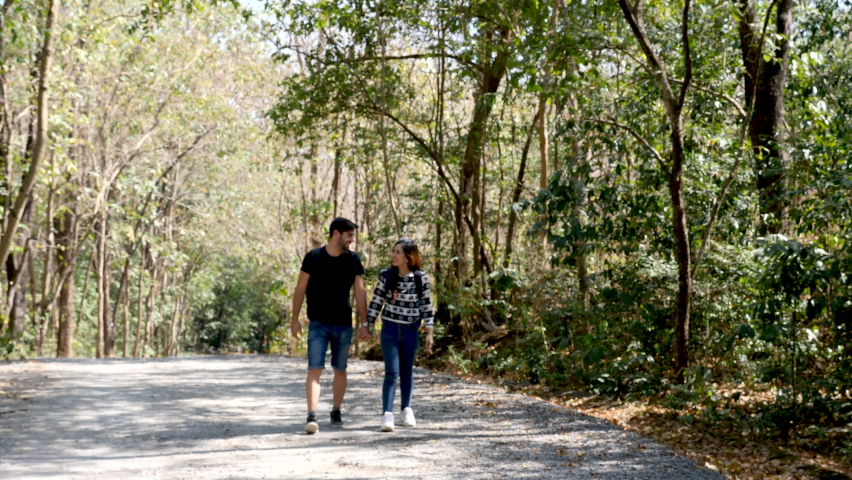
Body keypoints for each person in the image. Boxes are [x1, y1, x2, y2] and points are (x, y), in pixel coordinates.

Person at [290, 218, 367, 434]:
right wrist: (294, 319)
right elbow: (300, 288)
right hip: (318, 324)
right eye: (349, 235)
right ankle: (312, 415)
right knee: (314, 369)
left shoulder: (353, 259)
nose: (352, 240)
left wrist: (365, 322)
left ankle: (336, 410)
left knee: (340, 370)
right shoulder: (314, 257)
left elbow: (360, 292)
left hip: (343, 324)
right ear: (336, 234)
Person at [359, 238, 434, 432]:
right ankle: (387, 414)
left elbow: (427, 305)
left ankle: (406, 409)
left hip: (411, 329)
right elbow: (376, 302)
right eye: (394, 252)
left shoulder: (420, 277)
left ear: (408, 257)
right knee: (392, 373)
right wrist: (367, 325)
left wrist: (430, 332)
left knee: (407, 372)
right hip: (390, 329)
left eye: (398, 252)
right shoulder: (386, 276)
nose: (393, 255)